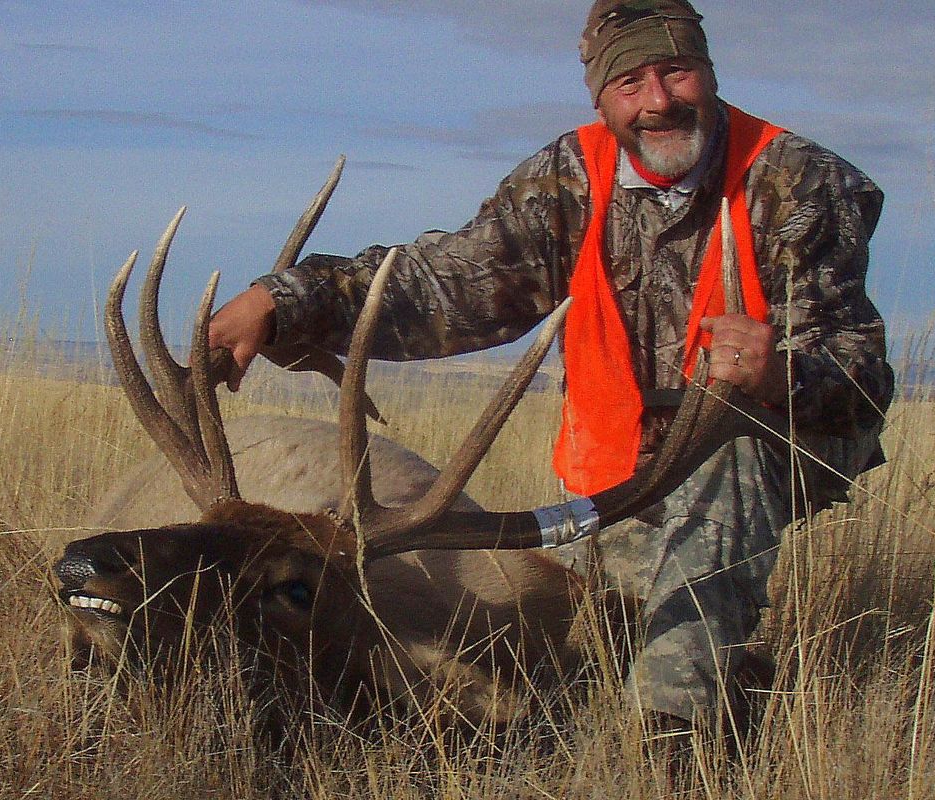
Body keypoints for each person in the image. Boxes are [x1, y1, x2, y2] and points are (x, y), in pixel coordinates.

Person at [208, 0, 893, 739]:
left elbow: (859, 387)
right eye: (630, 82)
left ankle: (671, 742)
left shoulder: (801, 184)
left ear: (710, 73)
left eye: (677, 71)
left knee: (719, 467)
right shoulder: (569, 179)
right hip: (622, 474)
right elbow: (451, 284)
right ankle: (727, 677)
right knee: (577, 621)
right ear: (600, 98)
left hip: (780, 437)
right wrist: (285, 302)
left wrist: (776, 372)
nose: (658, 100)